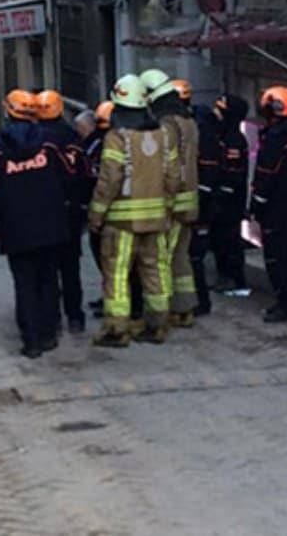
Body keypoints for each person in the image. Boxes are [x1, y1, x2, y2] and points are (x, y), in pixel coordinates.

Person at [0, 90, 73, 358]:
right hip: (51, 225)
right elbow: (69, 177)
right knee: (49, 279)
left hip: (16, 230)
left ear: (8, 111)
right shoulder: (50, 145)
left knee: (25, 284)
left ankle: (31, 340)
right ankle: (49, 332)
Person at [89, 75, 181, 347]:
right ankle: (157, 325)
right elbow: (174, 177)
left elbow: (109, 180)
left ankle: (117, 330)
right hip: (157, 220)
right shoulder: (165, 135)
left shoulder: (117, 139)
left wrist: (96, 214)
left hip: (121, 222)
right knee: (155, 271)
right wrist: (166, 207)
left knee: (117, 275)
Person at [250, 85, 287, 323]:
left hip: (275, 204)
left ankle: (285, 303)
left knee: (276, 257)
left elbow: (266, 174)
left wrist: (256, 204)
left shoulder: (277, 139)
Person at [148, 77, 200, 328]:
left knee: (162, 258)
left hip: (171, 202)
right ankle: (186, 307)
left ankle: (164, 311)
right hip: (188, 201)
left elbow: (166, 165)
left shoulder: (166, 126)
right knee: (181, 256)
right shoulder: (189, 122)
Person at [36, 90, 88, 334]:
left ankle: (52, 317)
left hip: (45, 212)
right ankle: (75, 316)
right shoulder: (72, 137)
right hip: (71, 212)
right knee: (70, 268)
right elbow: (84, 174)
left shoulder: (34, 140)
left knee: (48, 268)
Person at [212, 93, 251, 297]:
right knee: (220, 241)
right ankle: (224, 276)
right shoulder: (222, 135)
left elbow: (232, 175)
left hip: (229, 202)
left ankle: (235, 279)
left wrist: (221, 193)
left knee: (230, 242)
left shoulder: (234, 140)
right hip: (221, 200)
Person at [83, 101, 114, 317]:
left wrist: (94, 214)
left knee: (109, 262)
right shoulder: (123, 140)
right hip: (118, 213)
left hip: (106, 213)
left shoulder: (99, 145)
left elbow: (97, 180)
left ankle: (114, 304)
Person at [190, 103, 221, 317]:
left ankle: (201, 301)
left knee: (195, 258)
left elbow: (206, 180)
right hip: (203, 206)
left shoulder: (206, 140)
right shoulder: (209, 135)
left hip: (202, 207)